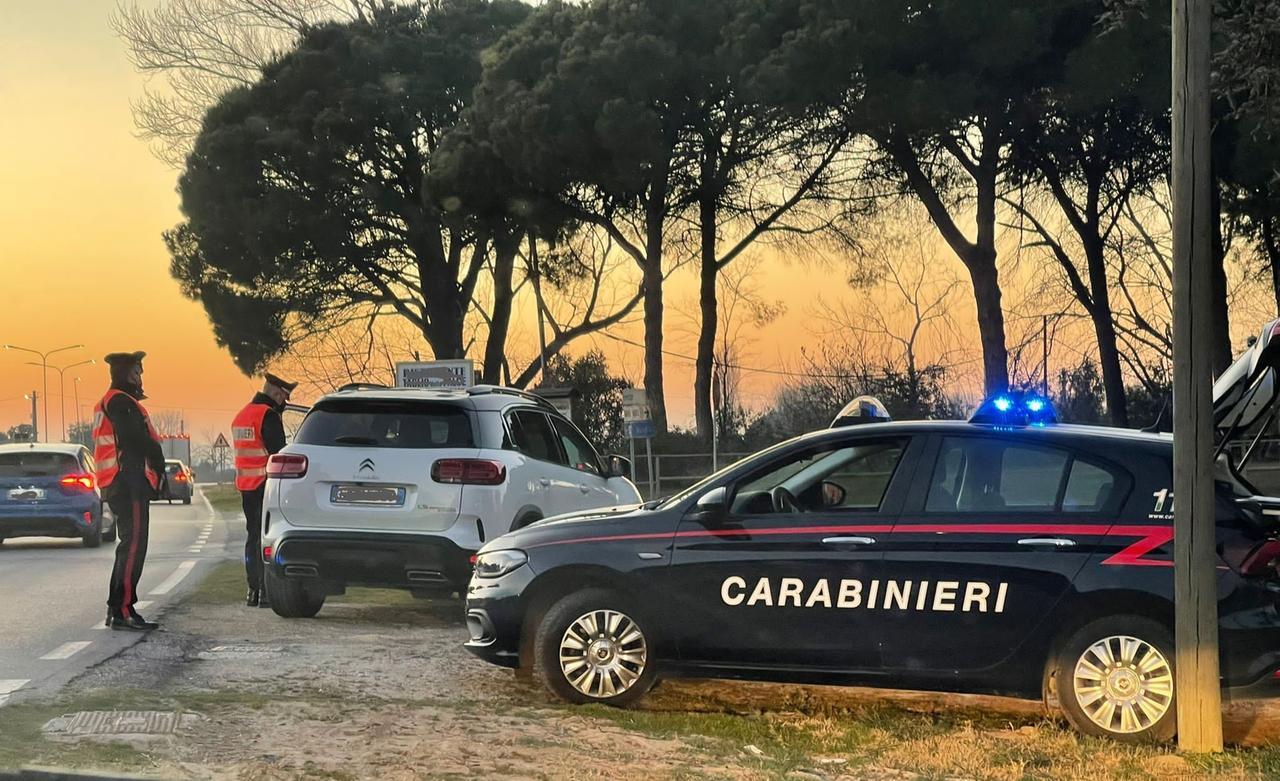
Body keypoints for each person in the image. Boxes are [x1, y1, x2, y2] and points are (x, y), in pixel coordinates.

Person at [92, 351, 167, 631]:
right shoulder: (121, 402)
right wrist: (157, 460)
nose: (141, 376)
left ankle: (117, 608)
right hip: (128, 481)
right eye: (138, 371)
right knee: (134, 546)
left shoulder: (112, 401)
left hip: (118, 482)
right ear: (127, 373)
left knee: (128, 546)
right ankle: (123, 610)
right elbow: (135, 439)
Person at [232, 373, 295, 607]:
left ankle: (253, 590)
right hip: (265, 486)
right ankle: (267, 591)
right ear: (276, 393)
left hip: (246, 486)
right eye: (284, 397)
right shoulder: (267, 416)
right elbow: (279, 452)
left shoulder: (242, 415)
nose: (284, 403)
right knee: (267, 539)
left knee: (252, 537)